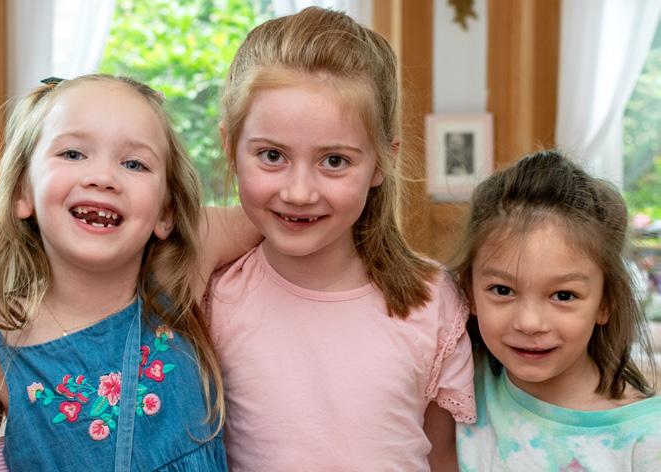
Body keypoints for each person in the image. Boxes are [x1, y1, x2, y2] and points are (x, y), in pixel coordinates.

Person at [206, 7, 475, 471]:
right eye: (272, 155)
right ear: (230, 148)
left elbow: (443, 457)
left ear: (382, 161)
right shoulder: (213, 297)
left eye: (334, 161)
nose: (299, 192)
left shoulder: (433, 302)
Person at [0, 74, 258, 471]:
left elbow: (273, 210)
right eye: (72, 154)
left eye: (134, 163)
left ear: (165, 212)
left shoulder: (179, 268)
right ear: (22, 190)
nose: (102, 178)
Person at [453, 150, 661, 471]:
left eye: (563, 295)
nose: (529, 323)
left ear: (605, 303)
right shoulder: (456, 390)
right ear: (470, 290)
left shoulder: (647, 438)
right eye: (502, 290)